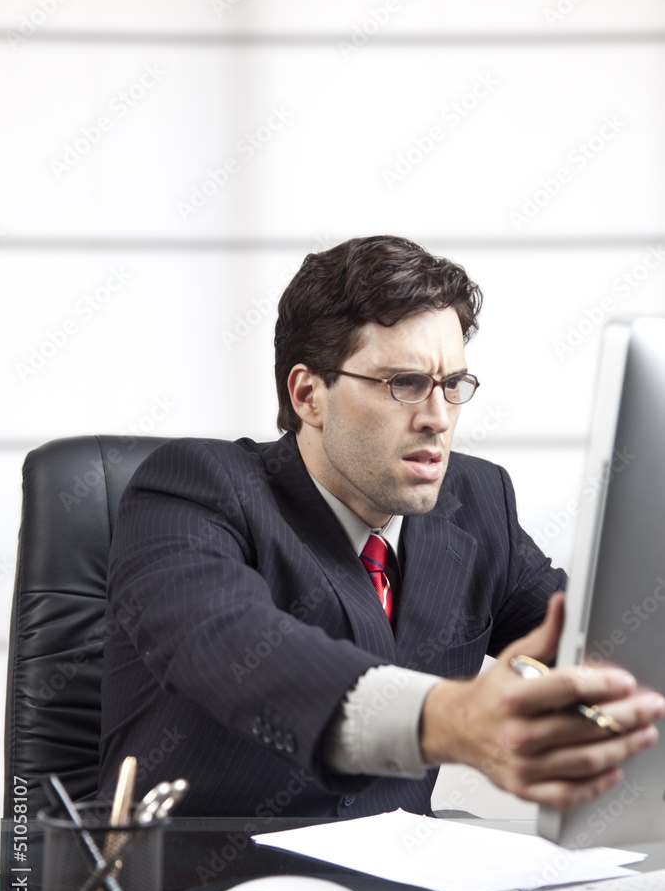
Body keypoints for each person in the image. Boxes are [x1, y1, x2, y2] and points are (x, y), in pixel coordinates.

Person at [99, 234, 664, 819]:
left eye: (452, 385)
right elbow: (233, 647)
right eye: (405, 383)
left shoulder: (475, 502)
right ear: (308, 394)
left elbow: (599, 640)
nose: (438, 419)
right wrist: (453, 718)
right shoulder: (194, 488)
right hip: (202, 890)